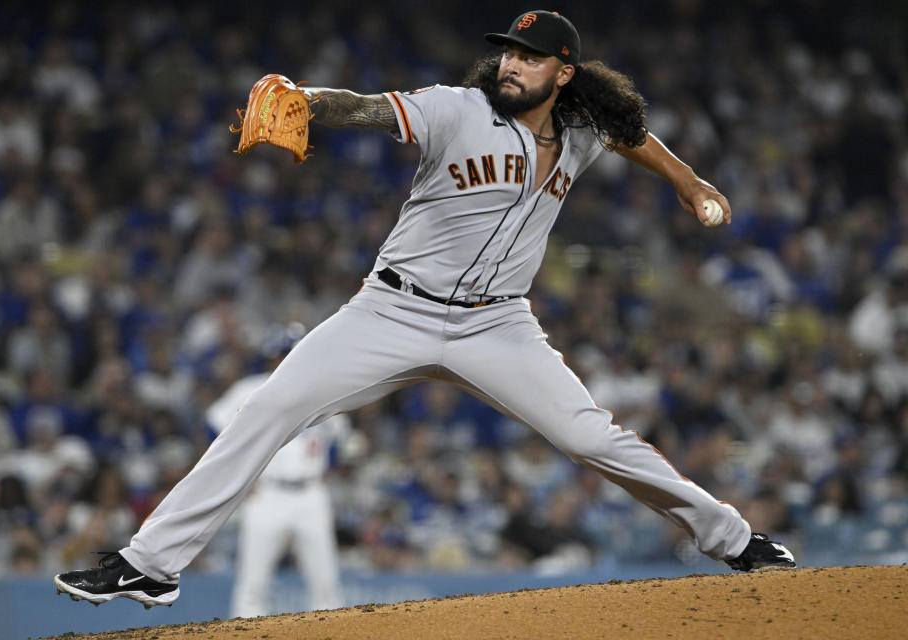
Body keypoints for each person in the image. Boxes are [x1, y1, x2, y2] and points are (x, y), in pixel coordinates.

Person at [54, 10, 795, 609]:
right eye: (508, 53)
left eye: (529, 58)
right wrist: (309, 101)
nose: (511, 65)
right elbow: (370, 109)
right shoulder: (456, 108)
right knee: (269, 409)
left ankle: (733, 541)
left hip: (496, 324)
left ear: (563, 73)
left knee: (590, 439)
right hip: (391, 311)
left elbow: (632, 135)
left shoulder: (580, 130)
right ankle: (150, 565)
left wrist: (688, 182)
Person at [205, 325, 346, 617]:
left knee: (326, 585)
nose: (286, 359)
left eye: (292, 353)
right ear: (270, 359)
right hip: (267, 494)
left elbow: (338, 437)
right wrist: (239, 474)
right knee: (252, 586)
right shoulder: (251, 389)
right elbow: (213, 425)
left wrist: (326, 467)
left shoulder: (325, 389)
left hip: (311, 494)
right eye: (281, 354)